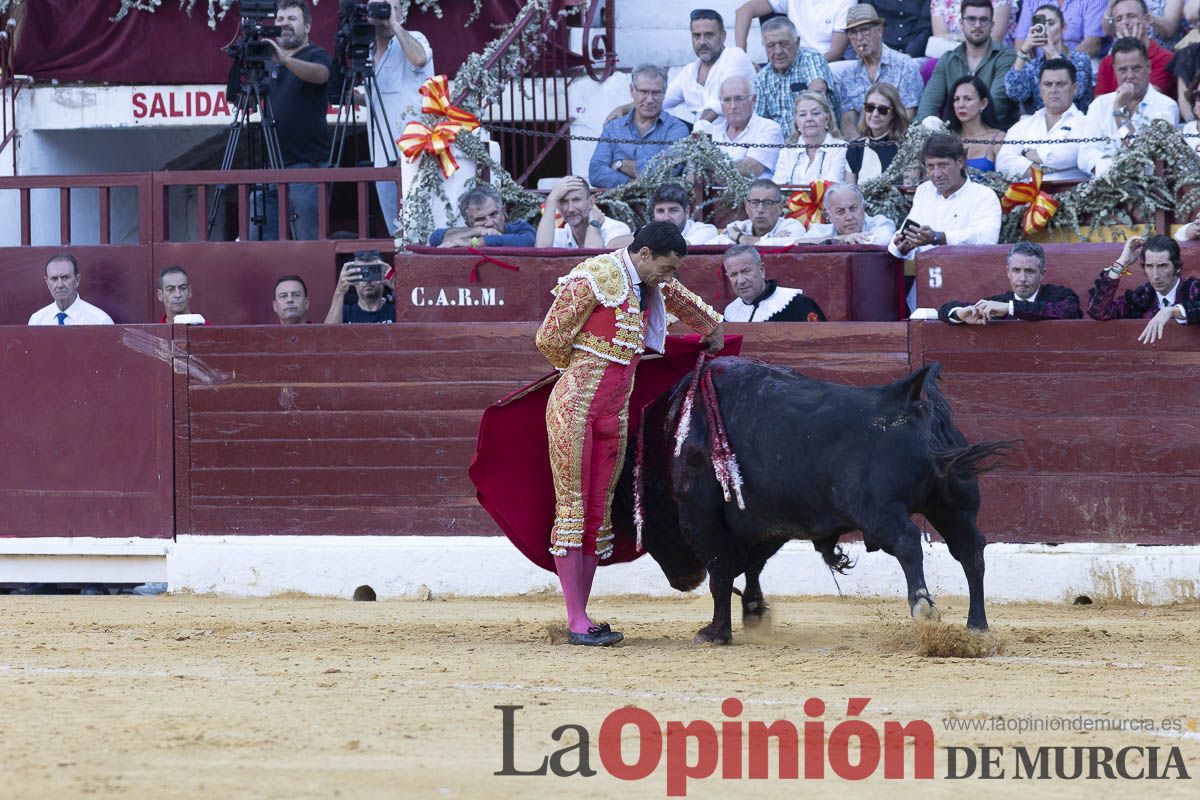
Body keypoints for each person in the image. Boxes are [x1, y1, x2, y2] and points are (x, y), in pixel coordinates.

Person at [535, 221, 724, 646]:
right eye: (666, 268)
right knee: (573, 509)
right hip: (575, 409)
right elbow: (549, 338)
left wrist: (712, 327)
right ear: (643, 254)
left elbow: (681, 298)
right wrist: (580, 366)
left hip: (613, 414)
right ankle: (576, 620)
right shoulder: (595, 275)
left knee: (596, 513)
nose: (669, 277)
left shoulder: (650, 281)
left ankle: (581, 615)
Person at [225, 0, 332, 241]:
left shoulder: (316, 54)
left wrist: (285, 60)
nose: (285, 24)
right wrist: (241, 60)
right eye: (280, 20)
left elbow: (322, 75)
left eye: (292, 19)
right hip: (270, 166)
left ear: (307, 26)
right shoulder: (268, 61)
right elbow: (241, 102)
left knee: (308, 240)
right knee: (259, 239)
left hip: (306, 164)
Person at [361, 0, 433, 237]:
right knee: (397, 234)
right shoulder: (367, 50)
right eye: (379, 6)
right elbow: (378, 97)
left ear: (401, 12)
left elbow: (419, 59)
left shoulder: (415, 38)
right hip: (382, 157)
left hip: (416, 155)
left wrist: (393, 24)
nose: (384, 12)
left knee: (422, 230)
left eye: (391, 7)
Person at [889, 132, 1002, 262]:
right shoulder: (924, 190)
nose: (936, 174)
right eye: (930, 166)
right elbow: (907, 232)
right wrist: (903, 247)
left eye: (943, 165)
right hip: (927, 271)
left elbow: (987, 238)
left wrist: (940, 237)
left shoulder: (983, 195)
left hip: (967, 270)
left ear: (960, 162)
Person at [1079, 38, 1180, 177]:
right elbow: (1085, 154)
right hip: (1103, 184)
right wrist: (1115, 168)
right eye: (1123, 70)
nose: (1130, 76)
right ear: (1114, 70)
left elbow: (1143, 157)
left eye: (1136, 68)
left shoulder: (1166, 106)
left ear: (1149, 67)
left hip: (1147, 187)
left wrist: (1119, 110)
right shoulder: (1099, 105)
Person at [918, 0, 1019, 129]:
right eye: (971, 19)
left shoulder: (1006, 57)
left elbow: (996, 106)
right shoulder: (948, 59)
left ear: (992, 25)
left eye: (983, 20)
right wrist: (924, 129)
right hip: (954, 134)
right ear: (961, 23)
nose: (977, 25)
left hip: (995, 133)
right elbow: (928, 106)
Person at [590, 65, 690, 189]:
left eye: (656, 93)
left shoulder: (677, 129)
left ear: (664, 93)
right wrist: (630, 183)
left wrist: (619, 164)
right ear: (632, 90)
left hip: (660, 200)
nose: (649, 100)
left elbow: (667, 171)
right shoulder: (613, 128)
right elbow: (595, 173)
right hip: (615, 200)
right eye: (644, 92)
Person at [1087, 234, 1200, 343]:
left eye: (1162, 266)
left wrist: (1172, 311)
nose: (1155, 276)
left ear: (1177, 267)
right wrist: (1122, 263)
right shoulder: (1143, 296)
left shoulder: (1194, 289)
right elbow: (1099, 311)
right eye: (1149, 266)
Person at [997, 58, 1096, 181]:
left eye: (1060, 84)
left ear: (1074, 88)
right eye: (1048, 84)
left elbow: (1065, 157)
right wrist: (1044, 170)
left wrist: (1026, 156)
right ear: (1040, 88)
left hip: (1068, 191)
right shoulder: (1023, 125)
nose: (1053, 90)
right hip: (1025, 192)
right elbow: (1003, 164)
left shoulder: (1086, 124)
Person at [835, 5, 924, 139]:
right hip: (863, 144)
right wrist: (858, 146)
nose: (859, 38)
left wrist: (883, 143)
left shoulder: (904, 65)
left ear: (880, 30)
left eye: (864, 30)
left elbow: (909, 114)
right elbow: (848, 118)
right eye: (853, 33)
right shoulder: (849, 74)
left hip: (897, 141)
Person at [937, 241, 1083, 322]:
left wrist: (1010, 308)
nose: (1022, 279)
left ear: (1042, 274)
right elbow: (946, 309)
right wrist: (959, 314)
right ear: (1008, 272)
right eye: (1016, 270)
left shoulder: (1061, 296)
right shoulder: (999, 301)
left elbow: (1068, 311)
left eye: (1029, 271)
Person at [654, 9, 756, 125]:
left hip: (738, 133)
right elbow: (658, 101)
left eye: (709, 35)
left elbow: (718, 105)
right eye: (696, 36)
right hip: (701, 133)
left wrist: (696, 133)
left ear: (723, 36)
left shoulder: (735, 57)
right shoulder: (688, 72)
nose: (702, 42)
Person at [752, 16, 840, 132]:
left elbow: (817, 91)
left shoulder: (810, 58)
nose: (778, 51)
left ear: (797, 42)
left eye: (784, 44)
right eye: (771, 46)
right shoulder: (762, 78)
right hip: (780, 142)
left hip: (815, 135)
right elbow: (757, 121)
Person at [1005, 3, 1095, 114]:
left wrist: (1052, 52)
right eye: (1041, 24)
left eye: (1051, 23)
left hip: (1075, 120)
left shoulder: (1080, 59)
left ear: (1063, 28)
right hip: (1040, 122)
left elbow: (1076, 92)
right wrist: (1024, 49)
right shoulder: (1033, 66)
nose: (1046, 28)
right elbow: (1015, 93)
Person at [722, 244, 827, 321]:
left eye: (746, 271)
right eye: (733, 274)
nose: (741, 281)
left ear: (761, 270)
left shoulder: (797, 304)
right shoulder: (729, 314)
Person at [1095, 1, 1177, 97]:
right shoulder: (1106, 62)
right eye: (1119, 19)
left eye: (1131, 16)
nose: (1125, 22)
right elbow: (1099, 103)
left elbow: (1146, 99)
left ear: (1147, 20)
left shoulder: (1165, 58)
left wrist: (1134, 46)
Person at [711, 75, 785, 179]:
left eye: (739, 99)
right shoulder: (712, 131)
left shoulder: (769, 128)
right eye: (727, 100)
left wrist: (707, 174)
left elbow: (751, 169)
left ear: (753, 99)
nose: (733, 106)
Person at [734, 0, 853, 62]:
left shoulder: (845, 2)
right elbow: (744, 11)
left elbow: (835, 53)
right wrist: (741, 57)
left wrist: (800, 67)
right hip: (791, 61)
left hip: (829, 64)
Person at [535, 176, 634, 249]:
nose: (570, 209)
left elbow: (593, 260)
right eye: (564, 201)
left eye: (576, 200)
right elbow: (542, 251)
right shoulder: (560, 235)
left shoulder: (615, 229)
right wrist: (551, 199)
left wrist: (594, 222)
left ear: (590, 202)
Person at [773, 91, 849, 184]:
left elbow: (833, 186)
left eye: (815, 113)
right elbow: (778, 186)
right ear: (796, 121)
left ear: (827, 118)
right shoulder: (786, 152)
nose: (809, 119)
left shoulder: (841, 148)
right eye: (802, 114)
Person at [428, 184, 536, 248]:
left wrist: (476, 242)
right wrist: (476, 231)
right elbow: (435, 238)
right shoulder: (470, 232)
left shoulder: (520, 228)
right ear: (468, 223)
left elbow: (529, 241)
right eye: (480, 219)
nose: (489, 223)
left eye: (494, 214)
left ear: (504, 212)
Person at [845, 82, 910, 182]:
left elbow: (909, 187)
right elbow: (850, 188)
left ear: (894, 114)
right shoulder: (855, 148)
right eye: (870, 107)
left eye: (883, 110)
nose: (875, 114)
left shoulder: (906, 147)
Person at [714, 179, 808, 245]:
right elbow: (716, 243)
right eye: (754, 202)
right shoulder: (738, 227)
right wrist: (771, 239)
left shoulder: (792, 226)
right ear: (747, 207)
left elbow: (785, 244)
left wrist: (741, 238)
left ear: (780, 208)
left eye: (767, 203)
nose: (760, 209)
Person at [28, 255, 114, 326]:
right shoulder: (37, 321)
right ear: (47, 282)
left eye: (65, 277)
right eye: (54, 279)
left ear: (77, 280)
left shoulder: (100, 321)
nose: (60, 285)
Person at [799, 182, 898, 244]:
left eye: (853, 208)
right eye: (840, 211)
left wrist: (845, 240)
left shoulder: (880, 223)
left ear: (863, 208)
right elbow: (797, 243)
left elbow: (883, 240)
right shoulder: (821, 230)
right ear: (829, 217)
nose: (849, 217)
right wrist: (840, 239)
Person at [943, 75, 1005, 171]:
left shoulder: (998, 138)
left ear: (984, 103)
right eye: (956, 99)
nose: (960, 105)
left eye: (968, 99)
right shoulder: (946, 138)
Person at [1013, 0, 1108, 56]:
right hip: (1039, 64)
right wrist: (1030, 68)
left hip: (1077, 63)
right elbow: (1021, 40)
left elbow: (1092, 44)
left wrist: (1060, 64)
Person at [324, 255, 395, 324]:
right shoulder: (343, 313)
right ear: (353, 278)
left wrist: (397, 285)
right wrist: (339, 291)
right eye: (362, 274)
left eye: (373, 272)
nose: (368, 280)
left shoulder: (396, 311)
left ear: (383, 275)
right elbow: (329, 331)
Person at [650, 183, 721, 245]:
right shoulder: (647, 232)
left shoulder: (704, 231)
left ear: (686, 212)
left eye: (673, 210)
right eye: (660, 211)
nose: (666, 218)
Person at [932, 0, 1016, 45]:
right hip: (951, 54)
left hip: (992, 56)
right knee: (929, 65)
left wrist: (955, 37)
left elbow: (995, 38)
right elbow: (939, 38)